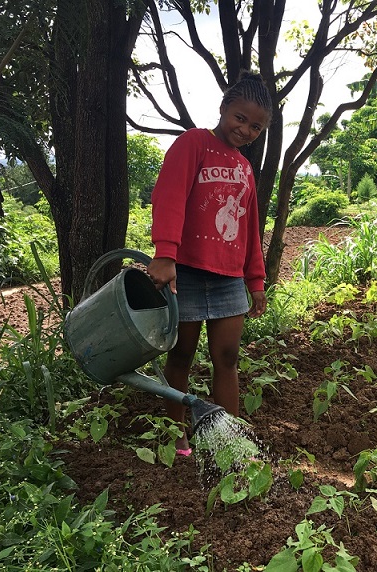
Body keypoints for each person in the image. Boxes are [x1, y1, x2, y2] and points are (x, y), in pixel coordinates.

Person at [147, 71, 272, 456]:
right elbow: (169, 195)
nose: (246, 130)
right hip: (184, 273)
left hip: (229, 279)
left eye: (256, 127)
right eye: (240, 118)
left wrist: (255, 281)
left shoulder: (245, 168)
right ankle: (176, 434)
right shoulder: (194, 143)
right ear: (223, 108)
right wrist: (165, 254)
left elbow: (250, 229)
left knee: (228, 357)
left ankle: (229, 440)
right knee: (181, 355)